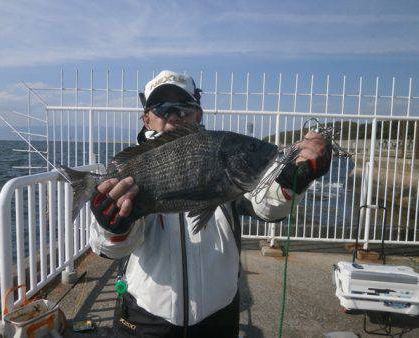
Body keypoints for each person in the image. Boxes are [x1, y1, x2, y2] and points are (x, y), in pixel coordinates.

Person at [89, 70, 331, 338]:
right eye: (162, 108)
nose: (173, 115)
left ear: (198, 114)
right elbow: (108, 248)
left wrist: (292, 181)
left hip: (218, 316)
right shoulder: (129, 172)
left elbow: (266, 204)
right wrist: (112, 225)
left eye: (183, 108)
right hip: (145, 318)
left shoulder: (220, 155)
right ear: (146, 118)